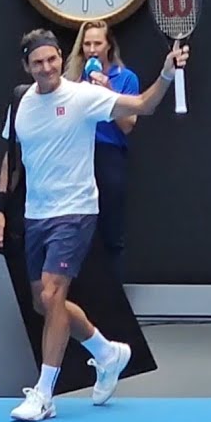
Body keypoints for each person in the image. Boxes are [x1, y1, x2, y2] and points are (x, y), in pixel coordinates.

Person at [0, 28, 189, 422]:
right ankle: (107, 352)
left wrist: (165, 73)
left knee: (52, 293)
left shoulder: (83, 97)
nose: (47, 68)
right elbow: (13, 158)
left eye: (52, 59)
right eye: (38, 63)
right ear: (26, 66)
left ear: (61, 57)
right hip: (35, 213)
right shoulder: (19, 102)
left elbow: (143, 106)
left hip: (76, 210)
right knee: (42, 302)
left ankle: (44, 394)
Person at [63, 20, 138, 280]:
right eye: (87, 44)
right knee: (74, 229)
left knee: (110, 230)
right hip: (76, 156)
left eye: (97, 43)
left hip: (108, 156)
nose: (92, 49)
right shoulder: (71, 81)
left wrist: (107, 92)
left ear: (109, 46)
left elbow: (128, 125)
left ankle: (113, 299)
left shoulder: (125, 78)